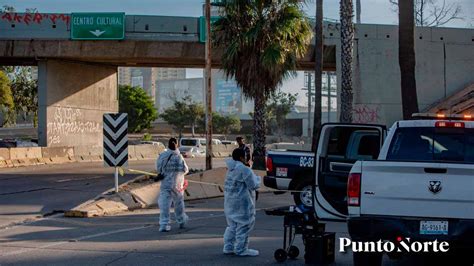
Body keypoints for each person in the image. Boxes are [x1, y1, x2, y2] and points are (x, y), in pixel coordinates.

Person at [223, 148, 261, 257]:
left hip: (230, 202)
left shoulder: (230, 169)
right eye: (245, 156)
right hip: (242, 203)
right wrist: (258, 178)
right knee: (244, 226)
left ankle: (228, 247)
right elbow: (253, 185)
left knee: (232, 226)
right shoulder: (245, 170)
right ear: (241, 157)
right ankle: (241, 249)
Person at [156, 138, 189, 232]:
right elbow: (186, 169)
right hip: (178, 185)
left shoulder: (162, 156)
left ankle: (163, 224)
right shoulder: (179, 157)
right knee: (179, 204)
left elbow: (158, 169)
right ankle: (181, 221)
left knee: (164, 205)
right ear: (177, 145)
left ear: (167, 145)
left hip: (166, 184)